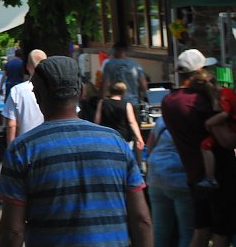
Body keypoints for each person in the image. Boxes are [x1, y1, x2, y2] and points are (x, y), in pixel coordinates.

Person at [0, 56, 152, 247]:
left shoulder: (22, 150)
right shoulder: (115, 142)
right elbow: (141, 220)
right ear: (81, 92)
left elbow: (12, 231)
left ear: (37, 95)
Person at [163, 49, 236, 246]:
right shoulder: (204, 100)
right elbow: (227, 141)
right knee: (222, 231)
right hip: (221, 174)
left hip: (194, 175)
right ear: (201, 71)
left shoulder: (168, 101)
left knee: (202, 228)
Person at [145, 116, 194, 247]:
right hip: (181, 178)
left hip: (156, 176)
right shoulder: (192, 118)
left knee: (160, 231)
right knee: (187, 232)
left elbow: (149, 148)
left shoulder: (162, 120)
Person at [2, 49, 47, 144]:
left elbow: (11, 125)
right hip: (51, 143)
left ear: (27, 67)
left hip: (26, 144)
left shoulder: (16, 91)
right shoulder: (57, 88)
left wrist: (11, 148)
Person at [95, 81, 145, 152]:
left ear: (110, 91)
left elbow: (97, 121)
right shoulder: (127, 105)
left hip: (106, 136)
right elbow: (132, 122)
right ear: (123, 92)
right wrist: (139, 137)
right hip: (123, 137)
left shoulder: (102, 102)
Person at [101, 41, 148, 114]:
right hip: (133, 102)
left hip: (116, 103)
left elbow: (105, 84)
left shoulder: (109, 65)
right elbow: (144, 86)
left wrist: (102, 99)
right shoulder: (135, 64)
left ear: (115, 50)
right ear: (126, 51)